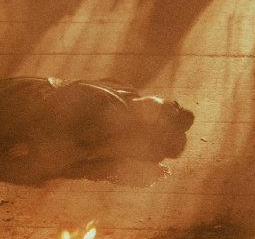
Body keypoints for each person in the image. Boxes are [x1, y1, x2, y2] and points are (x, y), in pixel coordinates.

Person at [0, 77, 194, 183]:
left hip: (26, 117)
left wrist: (33, 147)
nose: (153, 104)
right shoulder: (127, 91)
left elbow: (72, 144)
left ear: (147, 125)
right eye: (160, 103)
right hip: (31, 93)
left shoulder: (113, 123)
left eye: (156, 114)